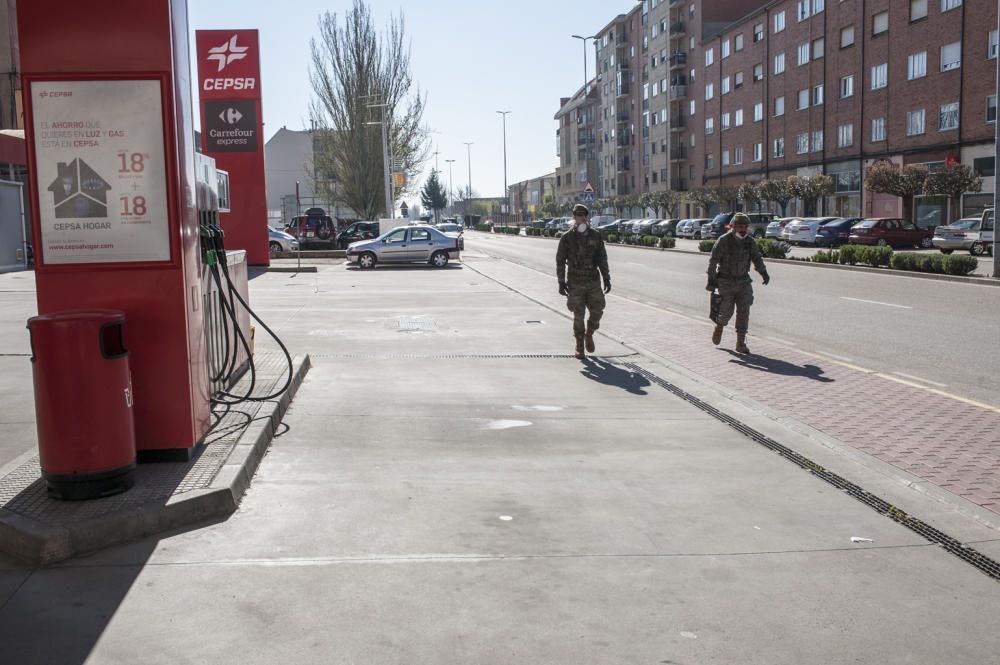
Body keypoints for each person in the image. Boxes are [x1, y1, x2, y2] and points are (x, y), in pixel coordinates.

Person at [706, 212, 770, 354]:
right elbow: (713, 261)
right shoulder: (724, 240)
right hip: (725, 282)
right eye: (740, 226)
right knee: (725, 312)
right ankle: (720, 326)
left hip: (743, 282)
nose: (743, 229)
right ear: (733, 226)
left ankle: (740, 343)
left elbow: (757, 258)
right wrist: (711, 280)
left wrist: (764, 273)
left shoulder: (749, 242)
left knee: (744, 312)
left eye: (745, 227)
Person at [556, 203, 611, 359]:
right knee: (578, 315)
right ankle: (579, 344)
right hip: (575, 282)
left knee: (597, 311)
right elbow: (560, 261)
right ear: (574, 217)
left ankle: (590, 332)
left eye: (584, 215)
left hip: (593, 281)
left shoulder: (596, 236)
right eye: (579, 215)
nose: (582, 217)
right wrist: (561, 282)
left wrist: (606, 277)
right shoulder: (567, 238)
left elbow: (602, 258)